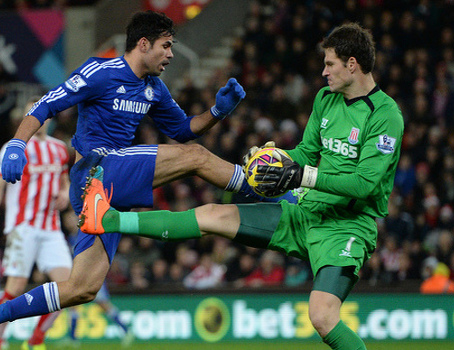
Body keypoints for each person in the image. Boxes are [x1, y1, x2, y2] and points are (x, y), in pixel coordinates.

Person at [79, 23, 404, 350]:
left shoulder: (386, 115)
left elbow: (364, 184)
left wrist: (300, 176)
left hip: (346, 226)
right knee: (212, 215)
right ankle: (109, 219)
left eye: (330, 64)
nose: (323, 72)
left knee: (322, 317)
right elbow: (305, 153)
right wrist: (273, 158)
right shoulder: (325, 98)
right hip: (305, 214)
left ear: (352, 64)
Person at [0, 11, 294, 325]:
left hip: (107, 191)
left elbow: (182, 128)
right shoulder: (101, 71)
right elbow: (47, 103)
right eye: (166, 46)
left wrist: (217, 111)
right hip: (95, 171)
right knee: (194, 156)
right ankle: (266, 192)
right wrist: (18, 143)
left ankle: (3, 313)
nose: (170, 54)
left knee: (82, 289)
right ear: (143, 44)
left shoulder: (153, 87)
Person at [0, 97, 72, 350]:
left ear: (49, 117)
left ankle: (36, 340)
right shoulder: (13, 147)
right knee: (15, 287)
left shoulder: (60, 149)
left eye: (42, 113)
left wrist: (65, 193)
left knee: (69, 288)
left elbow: (65, 183)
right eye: (32, 111)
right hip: (23, 227)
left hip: (51, 228)